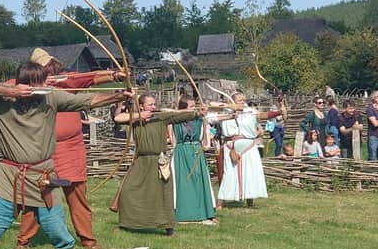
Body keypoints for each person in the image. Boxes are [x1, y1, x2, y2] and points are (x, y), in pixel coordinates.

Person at [0, 62, 133, 249]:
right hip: (9, 178)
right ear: (26, 83)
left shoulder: (51, 98)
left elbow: (88, 101)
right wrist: (10, 91)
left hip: (44, 178)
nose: (46, 86)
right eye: (40, 82)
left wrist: (119, 96)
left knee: (59, 234)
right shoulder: (1, 100)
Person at [16, 48, 126, 249]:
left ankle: (88, 240)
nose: (48, 69)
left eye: (49, 65)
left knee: (77, 196)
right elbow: (6, 88)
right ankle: (23, 241)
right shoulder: (26, 88)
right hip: (43, 149)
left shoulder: (65, 82)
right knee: (37, 196)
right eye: (42, 67)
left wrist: (115, 75)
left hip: (71, 148)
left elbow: (88, 78)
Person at [115, 94, 206, 236]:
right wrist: (138, 116)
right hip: (142, 161)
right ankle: (128, 223)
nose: (153, 107)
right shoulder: (134, 119)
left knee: (163, 194)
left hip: (159, 161)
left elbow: (179, 116)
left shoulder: (160, 116)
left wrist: (197, 113)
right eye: (150, 104)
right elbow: (118, 118)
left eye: (154, 104)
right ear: (141, 106)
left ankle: (168, 226)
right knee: (128, 190)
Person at [217, 91, 280, 208]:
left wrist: (279, 112)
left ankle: (249, 201)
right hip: (231, 145)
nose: (243, 102)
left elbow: (263, 115)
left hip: (249, 145)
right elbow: (213, 106)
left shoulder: (249, 111)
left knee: (250, 173)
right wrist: (230, 108)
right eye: (239, 100)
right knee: (229, 174)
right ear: (232, 101)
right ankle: (220, 203)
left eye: (243, 100)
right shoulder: (225, 112)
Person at [171, 95, 217, 224]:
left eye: (194, 106)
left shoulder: (199, 119)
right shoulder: (175, 119)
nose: (194, 109)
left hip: (196, 152)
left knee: (199, 181)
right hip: (181, 152)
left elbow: (216, 118)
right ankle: (184, 213)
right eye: (191, 107)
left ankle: (204, 212)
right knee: (183, 184)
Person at [366, 90, 378, 161]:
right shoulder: (370, 109)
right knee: (373, 158)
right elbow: (375, 123)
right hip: (374, 137)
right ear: (375, 98)